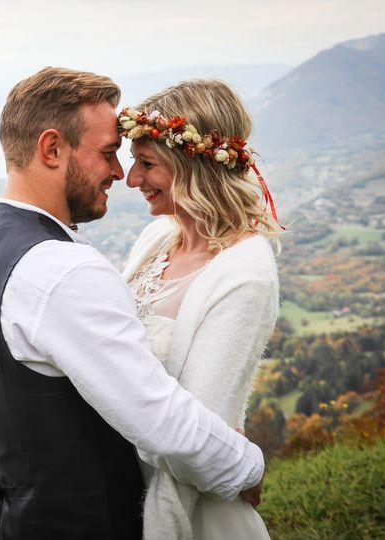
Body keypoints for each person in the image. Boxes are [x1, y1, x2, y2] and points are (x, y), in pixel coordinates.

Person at [0, 66, 264, 539]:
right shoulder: (63, 270)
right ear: (52, 149)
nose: (120, 173)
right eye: (109, 152)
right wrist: (247, 468)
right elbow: (158, 418)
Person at [120, 79, 283, 539]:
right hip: (117, 493)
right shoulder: (154, 240)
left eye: (147, 164)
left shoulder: (245, 272)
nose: (132, 179)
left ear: (191, 164)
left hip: (194, 514)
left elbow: (197, 433)